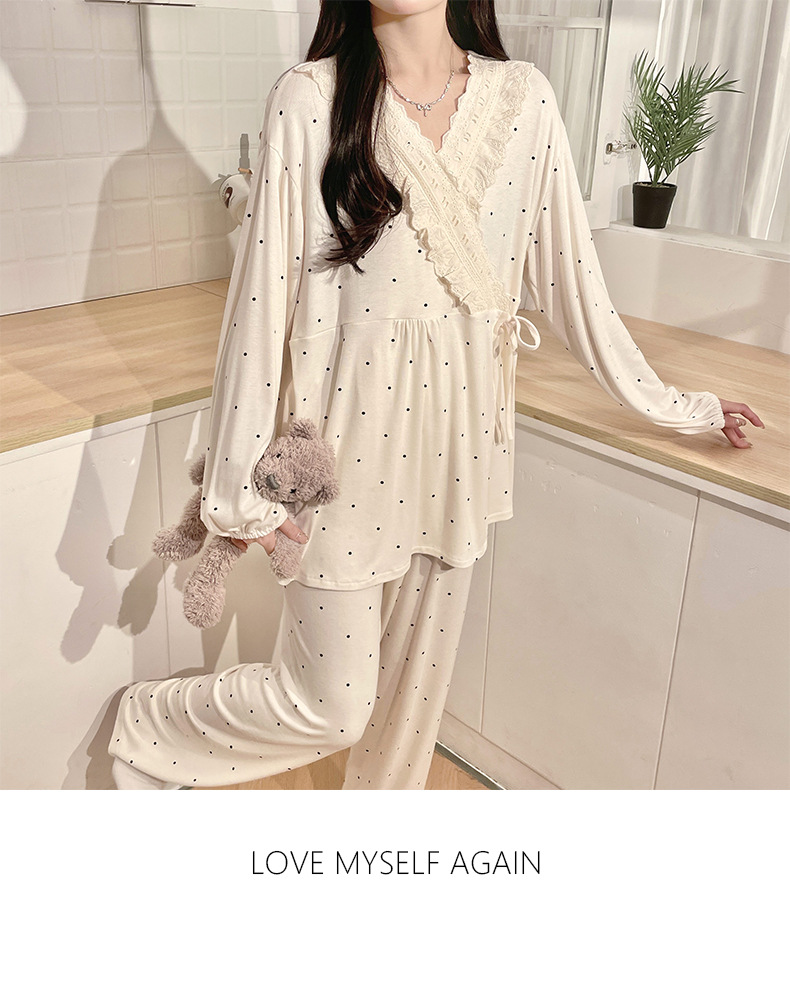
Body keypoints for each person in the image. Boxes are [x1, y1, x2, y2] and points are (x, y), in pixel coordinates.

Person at [108, 0, 763, 790]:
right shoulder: (310, 99)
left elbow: (578, 290)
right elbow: (257, 313)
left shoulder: (525, 100)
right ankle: (148, 723)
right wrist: (240, 500)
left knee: (408, 721)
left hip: (460, 452)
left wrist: (680, 405)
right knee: (331, 706)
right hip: (340, 458)